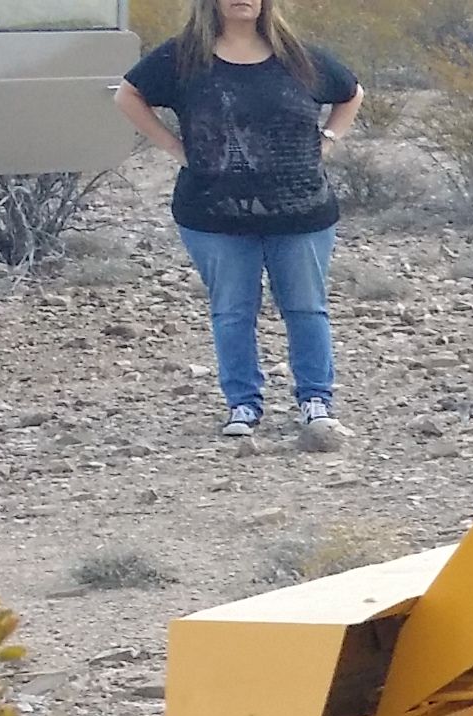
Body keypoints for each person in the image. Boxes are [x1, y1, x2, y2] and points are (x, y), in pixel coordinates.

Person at [116, 0, 362, 450]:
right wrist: (175, 148)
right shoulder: (183, 57)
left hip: (302, 211)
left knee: (306, 309)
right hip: (213, 214)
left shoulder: (299, 56)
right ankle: (243, 405)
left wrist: (328, 140)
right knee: (232, 311)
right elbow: (127, 94)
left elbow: (351, 93)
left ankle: (316, 402)